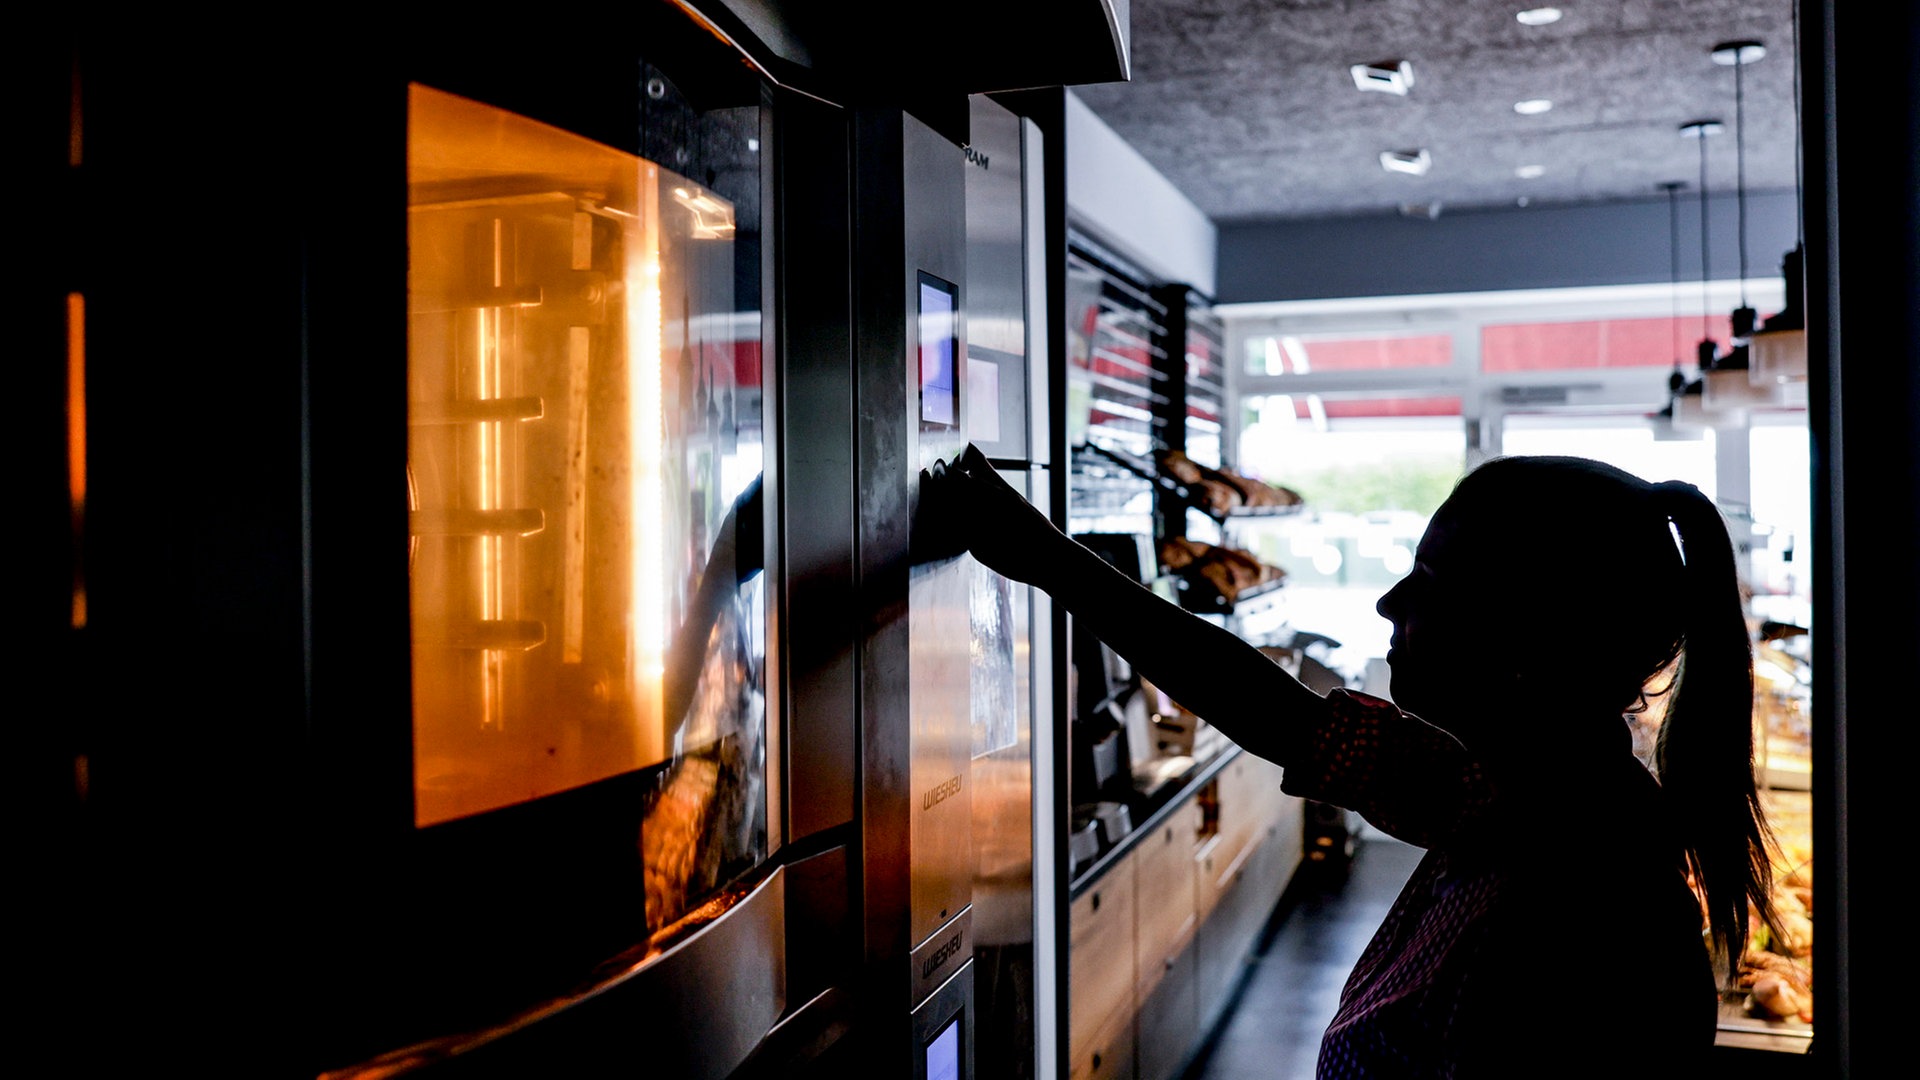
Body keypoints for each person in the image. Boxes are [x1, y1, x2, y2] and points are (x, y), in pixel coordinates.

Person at [923, 445, 1780, 1078]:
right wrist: (1042, 557)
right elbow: (1272, 712)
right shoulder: (1514, 801)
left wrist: (1047, 558)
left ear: (1525, 650)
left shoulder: (1585, 913)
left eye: (1430, 588)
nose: (1387, 603)